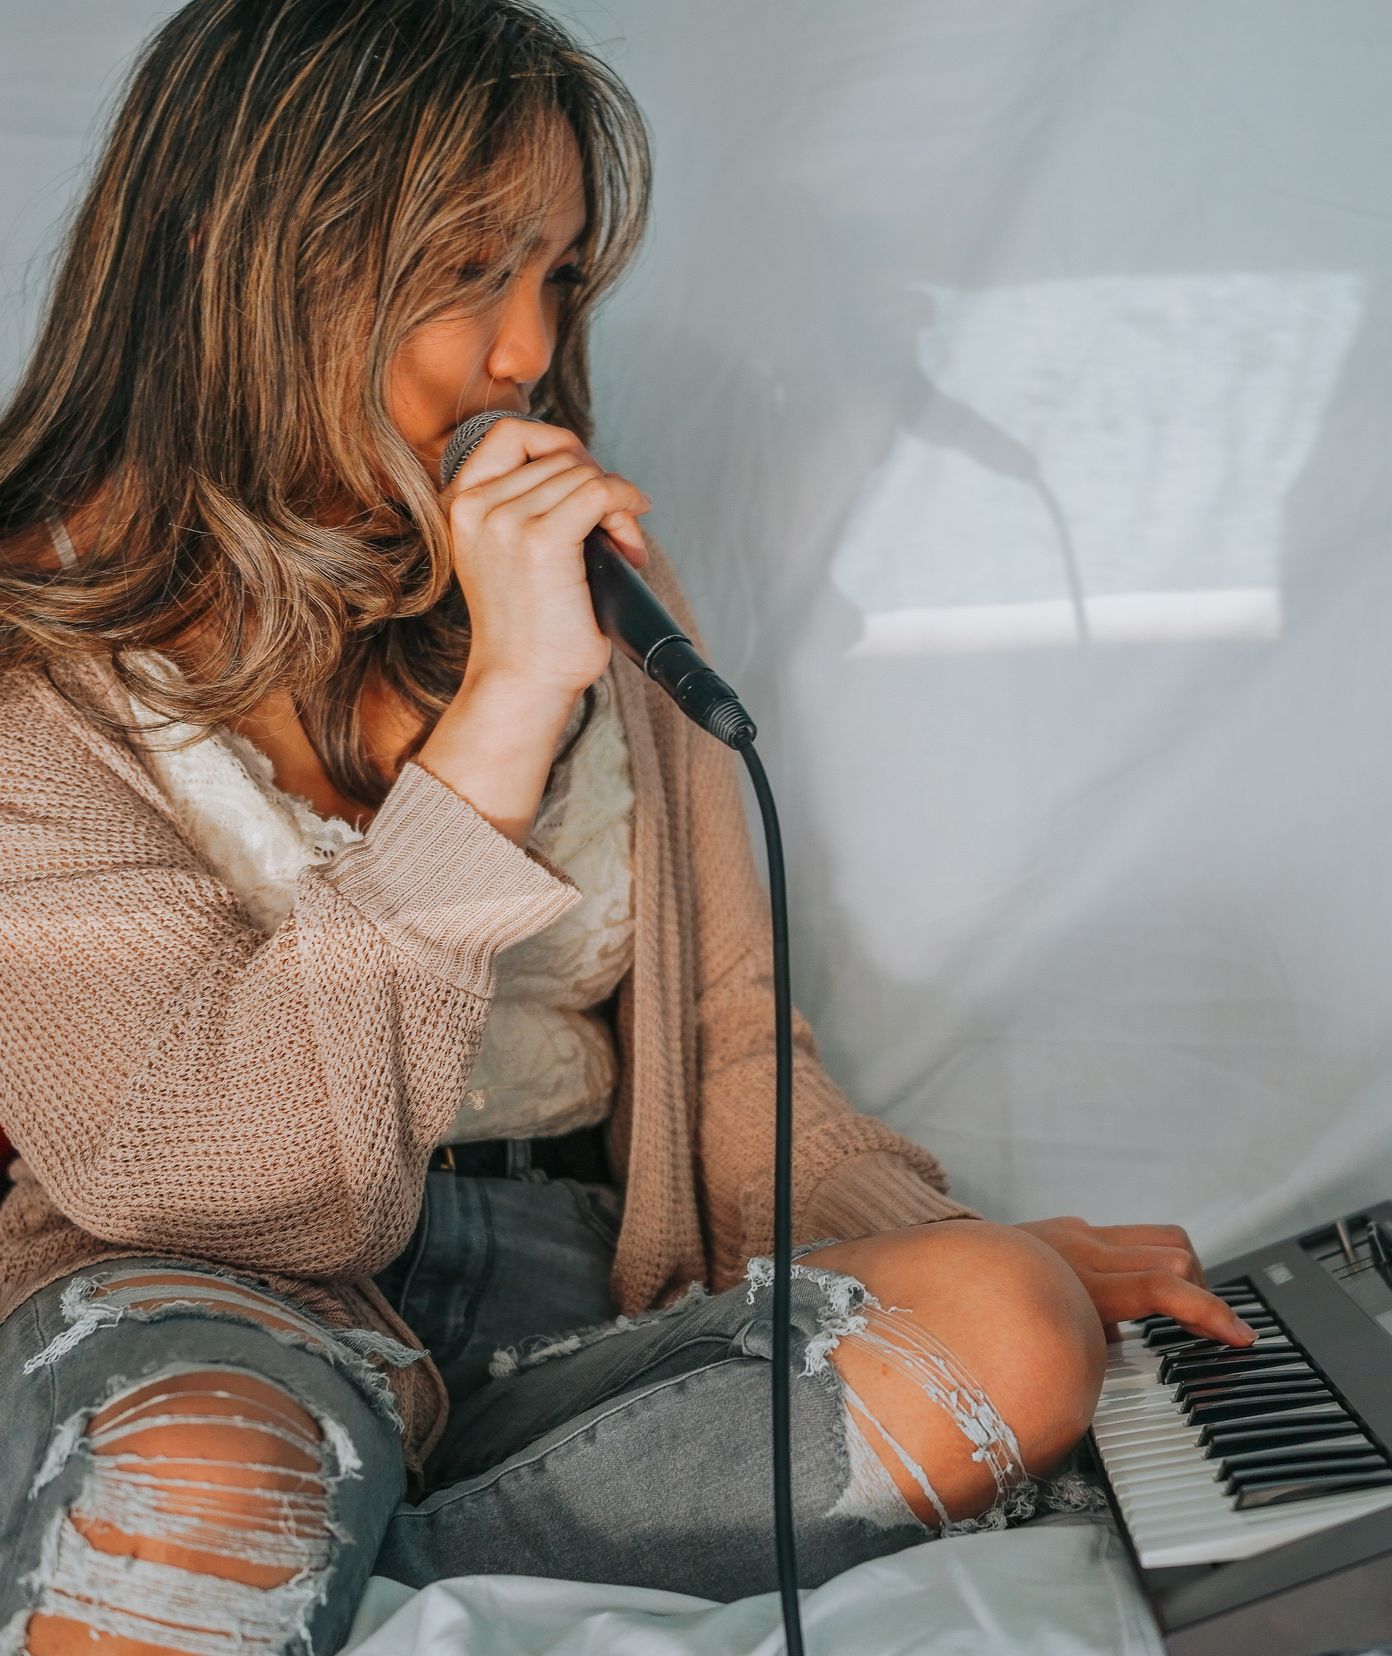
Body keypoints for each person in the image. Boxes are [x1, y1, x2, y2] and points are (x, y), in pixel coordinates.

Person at [0, 3, 1255, 1652]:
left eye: (556, 274)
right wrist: (507, 708)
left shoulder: (589, 591)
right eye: (465, 268)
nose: (524, 348)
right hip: (207, 1298)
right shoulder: (37, 646)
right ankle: (257, 1516)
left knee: (1014, 1330)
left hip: (569, 1304)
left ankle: (339, 1551)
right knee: (213, 1468)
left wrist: (941, 1250)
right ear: (240, 257)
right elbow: (226, 1189)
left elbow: (730, 1039)